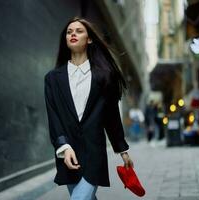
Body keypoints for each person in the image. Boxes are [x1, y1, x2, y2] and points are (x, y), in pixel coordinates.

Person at [44, 17, 133, 200]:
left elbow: (111, 117)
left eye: (79, 31)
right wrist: (64, 146)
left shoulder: (103, 77)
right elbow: (54, 117)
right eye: (69, 32)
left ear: (89, 39)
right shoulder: (52, 79)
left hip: (94, 153)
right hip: (68, 155)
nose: (73, 34)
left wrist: (122, 151)